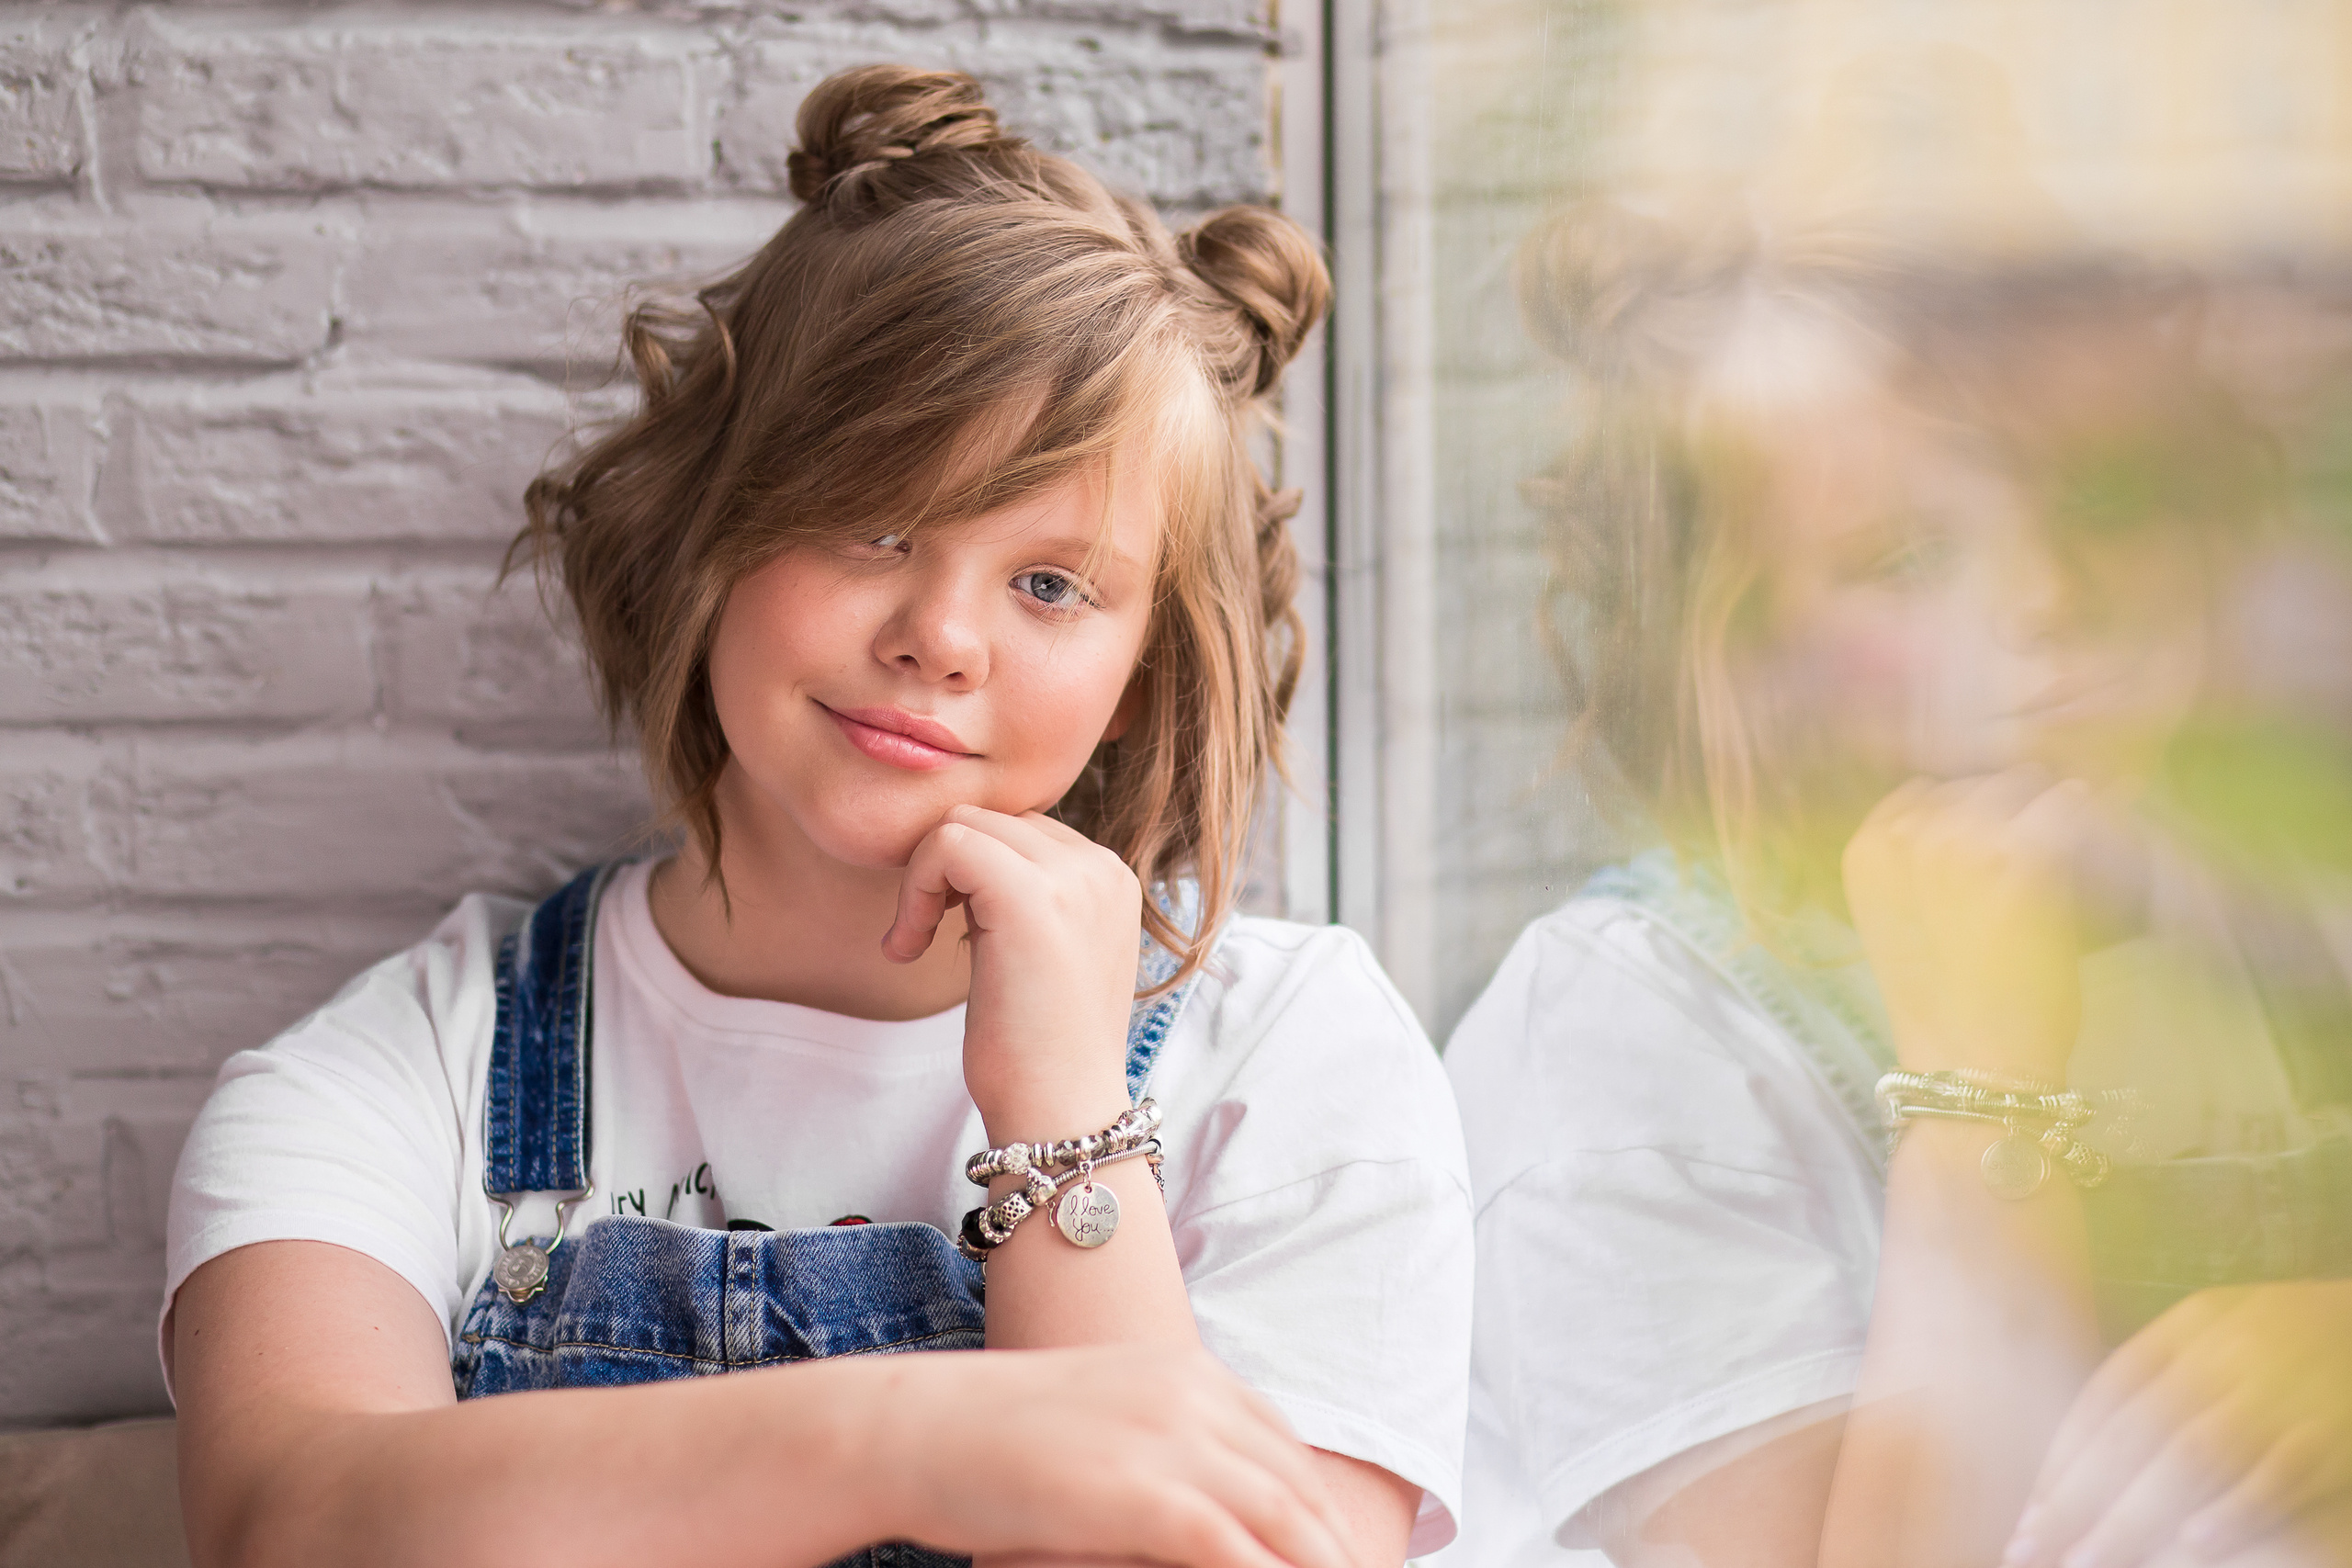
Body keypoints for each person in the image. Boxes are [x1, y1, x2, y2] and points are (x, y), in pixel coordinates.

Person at [163, 65, 1472, 1568]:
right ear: (708, 522)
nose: (941, 634)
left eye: (1051, 583)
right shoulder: (411, 1074)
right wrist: (912, 1439)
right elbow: (289, 1527)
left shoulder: (1301, 1065)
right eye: (876, 517)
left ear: (1141, 671)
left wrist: (1063, 1119)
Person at [1443, 207, 2352, 1568]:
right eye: (1908, 560)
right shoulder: (1628, 1034)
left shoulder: (2274, 898)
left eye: (2095, 499)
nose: (2045, 595)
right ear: (1747, 640)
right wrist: (1984, 1097)